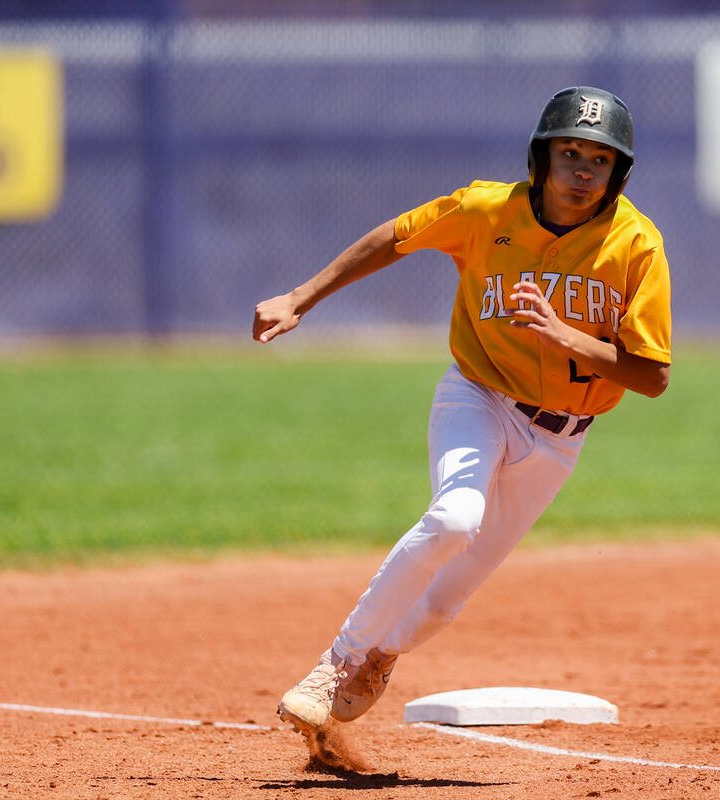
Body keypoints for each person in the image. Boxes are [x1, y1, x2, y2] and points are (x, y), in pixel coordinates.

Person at [252, 86, 672, 743]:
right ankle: (331, 668)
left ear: (619, 172)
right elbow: (396, 238)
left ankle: (382, 655)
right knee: (454, 518)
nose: (583, 170)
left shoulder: (636, 245)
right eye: (569, 153)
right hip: (477, 395)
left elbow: (653, 375)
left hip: (561, 439)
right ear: (541, 157)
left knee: (448, 598)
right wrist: (302, 298)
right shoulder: (485, 210)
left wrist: (571, 338)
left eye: (600, 158)